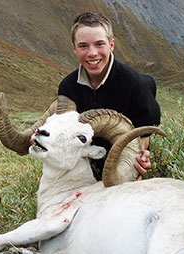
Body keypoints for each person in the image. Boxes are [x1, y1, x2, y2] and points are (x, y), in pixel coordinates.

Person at [58, 11, 161, 180]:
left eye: (99, 44)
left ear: (111, 45)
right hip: (85, 167)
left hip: (121, 164)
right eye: (83, 46)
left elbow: (143, 136)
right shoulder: (67, 87)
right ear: (74, 48)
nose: (92, 53)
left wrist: (136, 163)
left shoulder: (136, 86)